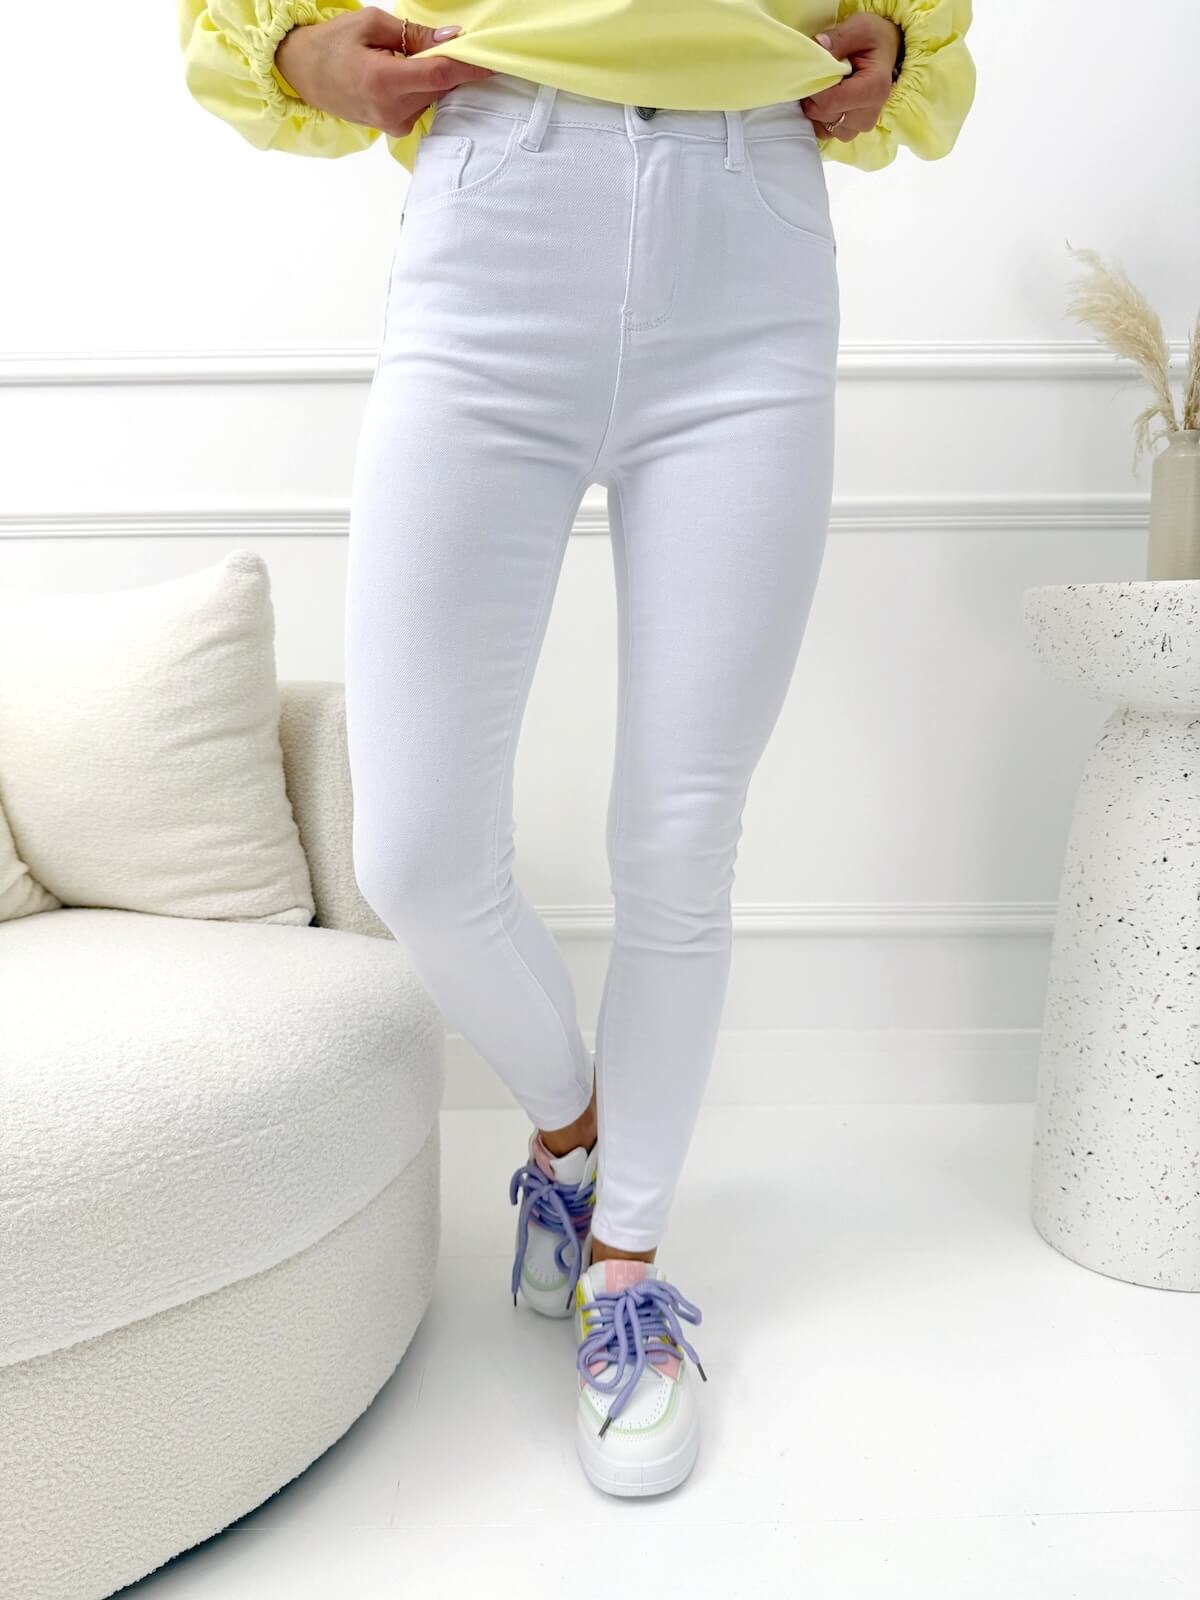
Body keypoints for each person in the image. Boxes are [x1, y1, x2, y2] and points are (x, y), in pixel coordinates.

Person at [178, 0, 976, 1499]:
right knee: (416, 852)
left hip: (751, 222)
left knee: (681, 833)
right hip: (499, 198)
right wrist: (292, 53)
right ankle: (574, 1134)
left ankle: (626, 1267)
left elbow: (909, 27)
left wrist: (893, 32)